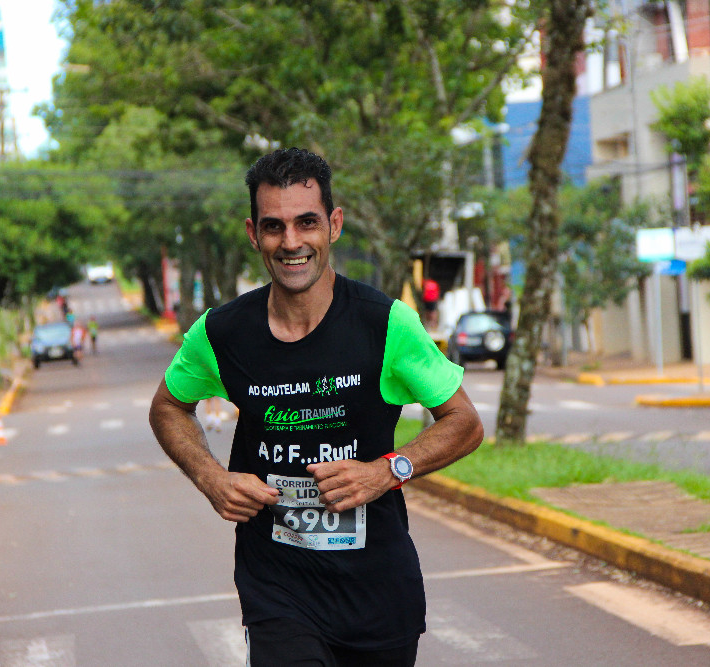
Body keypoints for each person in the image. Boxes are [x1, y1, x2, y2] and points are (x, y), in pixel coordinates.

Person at [149, 147, 483, 666]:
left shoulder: (386, 324)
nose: (291, 242)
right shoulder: (223, 332)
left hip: (377, 593)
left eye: (306, 222)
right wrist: (212, 479)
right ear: (253, 233)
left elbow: (464, 422)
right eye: (273, 227)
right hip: (277, 589)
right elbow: (168, 407)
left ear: (334, 225)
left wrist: (384, 472)